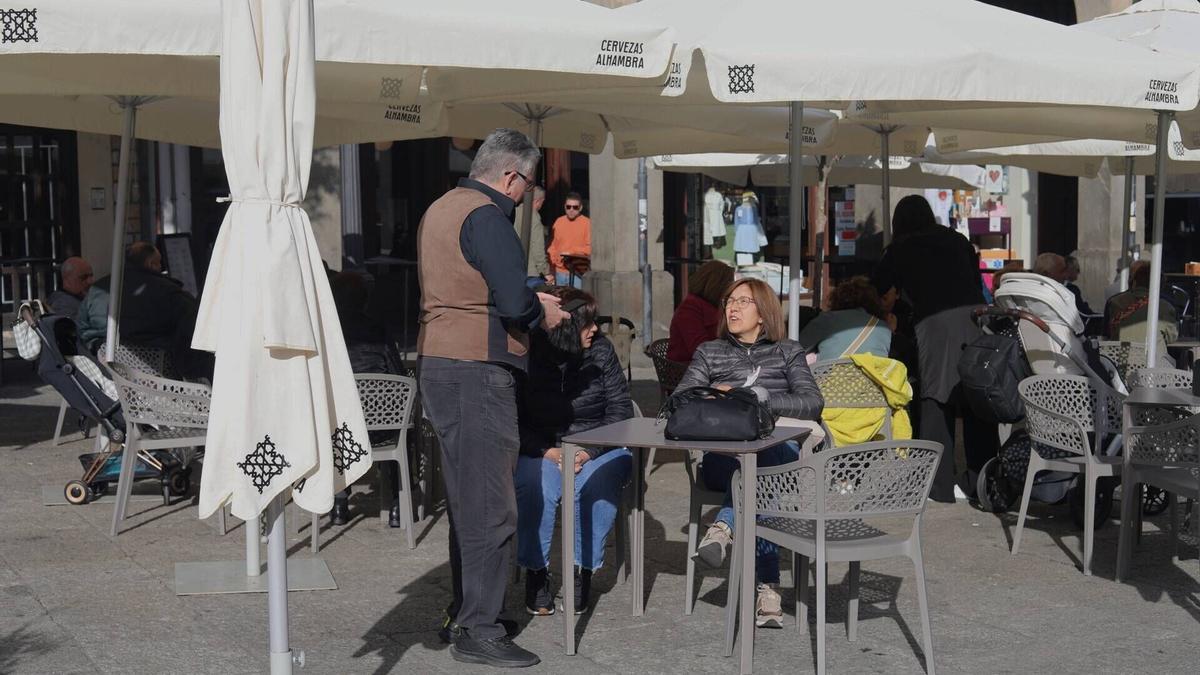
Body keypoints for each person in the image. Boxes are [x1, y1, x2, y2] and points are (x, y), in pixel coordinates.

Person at [416, 128, 568, 668]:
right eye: (527, 185)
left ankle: (468, 612)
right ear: (511, 175)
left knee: (468, 500)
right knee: (491, 506)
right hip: (477, 368)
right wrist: (541, 309)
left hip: (441, 361)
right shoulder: (488, 215)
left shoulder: (441, 207)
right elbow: (512, 303)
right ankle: (479, 628)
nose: (526, 195)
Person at [679, 277, 824, 629]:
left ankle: (722, 529)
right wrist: (713, 394)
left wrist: (756, 398)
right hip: (721, 459)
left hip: (778, 457)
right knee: (760, 478)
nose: (733, 307)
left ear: (763, 313)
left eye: (744, 301)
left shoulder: (787, 351)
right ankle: (769, 590)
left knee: (763, 465)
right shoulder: (709, 352)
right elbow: (680, 400)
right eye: (729, 300)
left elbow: (812, 401)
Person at [515, 287, 633, 616]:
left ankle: (583, 572)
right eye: (587, 322)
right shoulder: (528, 354)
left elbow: (621, 413)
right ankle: (536, 572)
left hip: (600, 444)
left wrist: (588, 451)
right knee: (533, 485)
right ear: (565, 325)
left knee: (595, 487)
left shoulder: (602, 351)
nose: (595, 328)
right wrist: (549, 452)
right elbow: (514, 420)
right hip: (544, 447)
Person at [871, 195, 997, 503]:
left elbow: (877, 287)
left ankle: (938, 486)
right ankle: (983, 483)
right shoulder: (957, 241)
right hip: (975, 320)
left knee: (935, 402)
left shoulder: (899, 249)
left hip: (934, 327)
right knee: (975, 398)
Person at [327, 271, 403, 527]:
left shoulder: (329, 336)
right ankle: (397, 505)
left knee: (334, 425)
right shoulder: (378, 331)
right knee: (403, 425)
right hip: (381, 431)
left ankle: (339, 504)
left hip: (344, 432)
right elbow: (397, 374)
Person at [798, 276, 893, 362]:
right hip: (870, 381)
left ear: (837, 299)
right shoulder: (884, 328)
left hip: (828, 379)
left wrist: (816, 357)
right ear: (874, 302)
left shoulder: (828, 319)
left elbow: (797, 350)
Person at [666, 260, 734, 363]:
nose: (731, 291)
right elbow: (700, 348)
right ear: (717, 286)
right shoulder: (690, 308)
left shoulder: (716, 305)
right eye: (728, 286)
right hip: (688, 369)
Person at [1104, 260, 1178, 352]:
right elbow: (1171, 338)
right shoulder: (1165, 307)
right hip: (1154, 362)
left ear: (1135, 281)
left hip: (1120, 360)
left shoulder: (1114, 302)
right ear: (1159, 284)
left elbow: (1107, 333)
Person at [547, 191, 591, 288]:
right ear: (565, 207)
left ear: (581, 208)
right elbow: (553, 246)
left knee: (576, 302)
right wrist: (554, 261)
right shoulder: (559, 222)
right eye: (568, 207)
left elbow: (590, 249)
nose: (571, 210)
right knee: (560, 301)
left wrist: (571, 252)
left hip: (578, 273)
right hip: (559, 272)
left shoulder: (587, 223)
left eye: (575, 207)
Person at [518, 186, 551, 286]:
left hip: (514, 269)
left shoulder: (514, 211)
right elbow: (537, 248)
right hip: (531, 272)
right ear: (538, 201)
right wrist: (546, 272)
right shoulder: (534, 218)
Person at [48, 256, 94, 321]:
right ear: (67, 280)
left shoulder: (81, 298)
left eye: (91, 276)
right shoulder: (63, 304)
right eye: (83, 277)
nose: (90, 281)